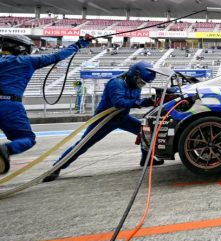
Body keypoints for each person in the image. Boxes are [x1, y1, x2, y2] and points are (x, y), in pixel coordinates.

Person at [43, 61, 163, 182]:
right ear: (134, 74)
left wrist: (148, 101)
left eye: (143, 83)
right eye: (140, 81)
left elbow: (134, 101)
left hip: (122, 118)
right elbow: (119, 103)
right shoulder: (116, 83)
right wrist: (140, 103)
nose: (141, 85)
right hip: (105, 120)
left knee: (146, 132)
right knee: (82, 145)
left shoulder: (135, 86)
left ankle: (147, 159)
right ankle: (57, 167)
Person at [0, 34, 91, 174]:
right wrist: (80, 44)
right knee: (27, 139)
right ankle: (6, 149)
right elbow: (57, 56)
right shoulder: (27, 61)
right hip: (9, 105)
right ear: (21, 48)